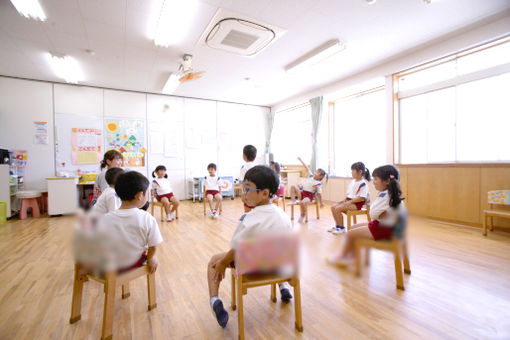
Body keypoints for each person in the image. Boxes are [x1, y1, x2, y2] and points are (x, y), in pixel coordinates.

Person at [207, 165, 293, 328]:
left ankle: (214, 300)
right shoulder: (283, 215)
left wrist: (223, 263)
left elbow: (235, 249)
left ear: (265, 193)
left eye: (248, 190)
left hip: (253, 268)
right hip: (280, 266)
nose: (243, 194)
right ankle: (283, 285)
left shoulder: (249, 218)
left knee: (214, 261)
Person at [327, 164, 405, 266]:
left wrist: (379, 215)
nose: (373, 182)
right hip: (385, 226)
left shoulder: (386, 195)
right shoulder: (389, 193)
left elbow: (373, 213)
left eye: (376, 179)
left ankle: (345, 257)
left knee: (350, 233)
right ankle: (351, 255)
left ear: (387, 181)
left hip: (385, 229)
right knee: (353, 228)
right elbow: (377, 214)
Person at [97, 171, 163, 273]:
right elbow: (153, 246)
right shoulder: (147, 218)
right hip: (132, 263)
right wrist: (150, 259)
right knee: (150, 256)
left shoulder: (106, 218)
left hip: (109, 264)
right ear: (140, 195)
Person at [329, 162, 371, 234]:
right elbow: (349, 194)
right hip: (349, 201)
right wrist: (343, 200)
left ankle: (342, 228)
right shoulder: (353, 182)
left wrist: (350, 202)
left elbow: (362, 198)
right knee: (333, 207)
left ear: (360, 172)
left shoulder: (363, 184)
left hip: (357, 204)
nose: (351, 172)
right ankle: (337, 226)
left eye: (353, 171)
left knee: (338, 209)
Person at [289, 157, 326, 222]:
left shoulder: (318, 183)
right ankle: (293, 200)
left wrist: (321, 202)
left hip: (309, 196)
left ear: (320, 177)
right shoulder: (310, 176)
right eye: (316, 171)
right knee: (292, 186)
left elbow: (319, 194)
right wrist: (301, 160)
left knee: (303, 202)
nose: (315, 172)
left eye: (318, 172)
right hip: (302, 192)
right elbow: (306, 167)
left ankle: (303, 215)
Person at [239, 145, 257, 212]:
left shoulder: (244, 167)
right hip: (258, 193)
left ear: (244, 156)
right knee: (257, 211)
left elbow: (242, 182)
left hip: (248, 193)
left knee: (247, 212)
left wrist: (243, 193)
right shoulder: (258, 166)